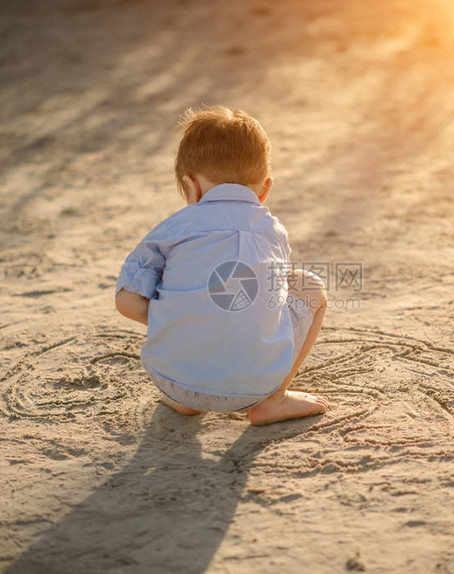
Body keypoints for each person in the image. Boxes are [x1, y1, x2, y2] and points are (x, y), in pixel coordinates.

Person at [115, 105, 328, 425]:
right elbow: (271, 302)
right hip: (253, 387)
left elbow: (126, 302)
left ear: (192, 186)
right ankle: (275, 399)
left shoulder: (172, 230)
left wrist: (184, 320)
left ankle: (185, 400)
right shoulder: (273, 231)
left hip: (173, 382)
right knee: (310, 286)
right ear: (265, 190)